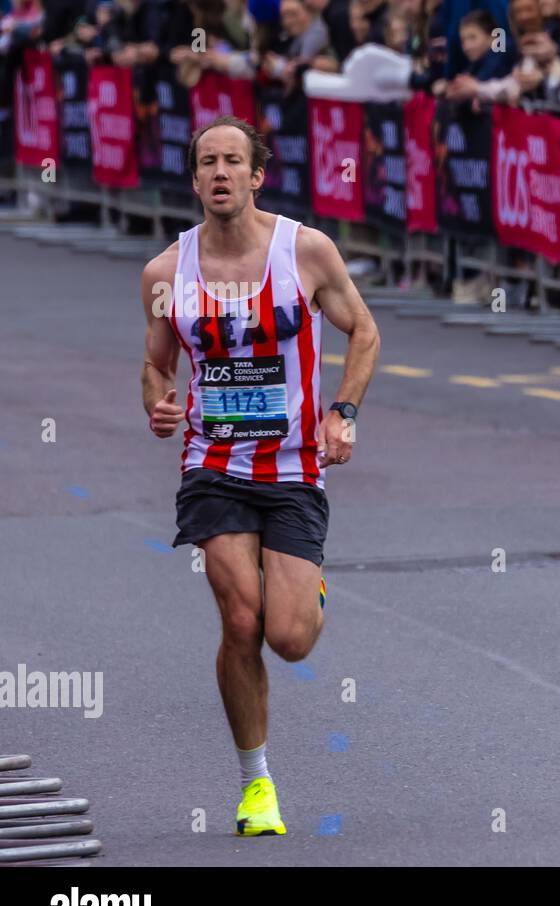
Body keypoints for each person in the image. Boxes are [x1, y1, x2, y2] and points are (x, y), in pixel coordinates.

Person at [140, 116, 380, 834]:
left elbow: (363, 331)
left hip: (294, 465)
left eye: (232, 161)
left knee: (291, 636)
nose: (219, 172)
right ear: (194, 180)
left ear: (256, 175)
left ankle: (307, 590)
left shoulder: (305, 251)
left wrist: (343, 411)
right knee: (240, 618)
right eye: (207, 161)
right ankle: (256, 786)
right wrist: (157, 402)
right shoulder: (164, 272)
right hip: (213, 465)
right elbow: (157, 361)